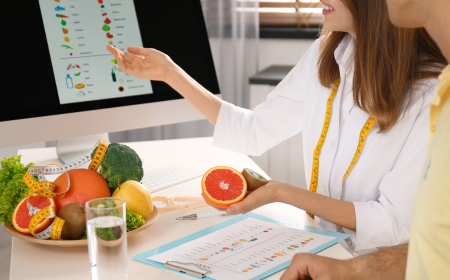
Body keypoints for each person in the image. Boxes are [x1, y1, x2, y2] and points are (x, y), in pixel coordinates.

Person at [107, 0, 446, 256]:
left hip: (374, 265)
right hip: (321, 247)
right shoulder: (327, 54)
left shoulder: (432, 94)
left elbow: (393, 223)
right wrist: (169, 73)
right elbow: (253, 131)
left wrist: (283, 193)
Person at [278, 0, 450, 279]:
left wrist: (283, 194)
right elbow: (436, 249)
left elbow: (399, 224)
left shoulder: (431, 93)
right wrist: (351, 270)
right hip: (336, 254)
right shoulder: (444, 93)